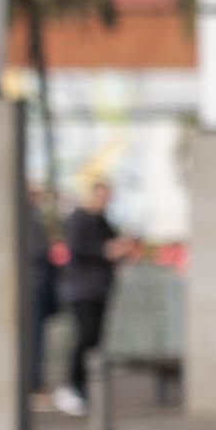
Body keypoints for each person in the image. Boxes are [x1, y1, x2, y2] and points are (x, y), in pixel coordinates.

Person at [49, 177, 126, 416]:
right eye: (101, 196)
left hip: (101, 288)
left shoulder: (104, 221)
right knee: (84, 336)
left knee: (95, 340)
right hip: (81, 289)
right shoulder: (78, 219)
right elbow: (79, 250)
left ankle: (85, 389)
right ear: (92, 195)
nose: (104, 201)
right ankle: (71, 386)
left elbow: (114, 248)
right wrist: (105, 251)